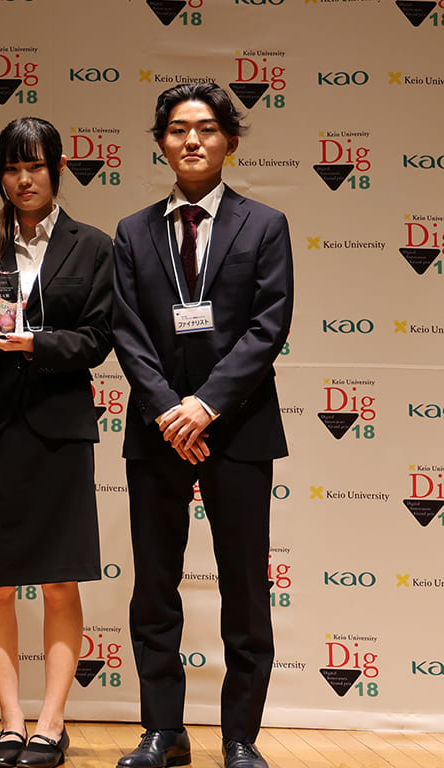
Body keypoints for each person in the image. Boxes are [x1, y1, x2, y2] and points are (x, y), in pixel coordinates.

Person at [110, 83, 293, 768]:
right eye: (179, 129)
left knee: (244, 586)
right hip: (157, 431)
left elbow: (268, 326)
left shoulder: (264, 225)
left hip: (239, 429)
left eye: (207, 129)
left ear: (230, 142)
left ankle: (240, 736)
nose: (192, 140)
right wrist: (168, 409)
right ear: (161, 142)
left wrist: (206, 405)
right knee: (155, 585)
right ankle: (163, 731)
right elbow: (127, 331)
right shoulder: (132, 231)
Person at [0, 117, 113, 768]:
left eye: (37, 166)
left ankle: (52, 721)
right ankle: (11, 722)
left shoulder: (93, 246)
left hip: (59, 427)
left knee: (59, 585)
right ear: (0, 173)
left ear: (57, 171)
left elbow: (100, 338)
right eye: (13, 167)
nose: (24, 179)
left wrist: (36, 344)